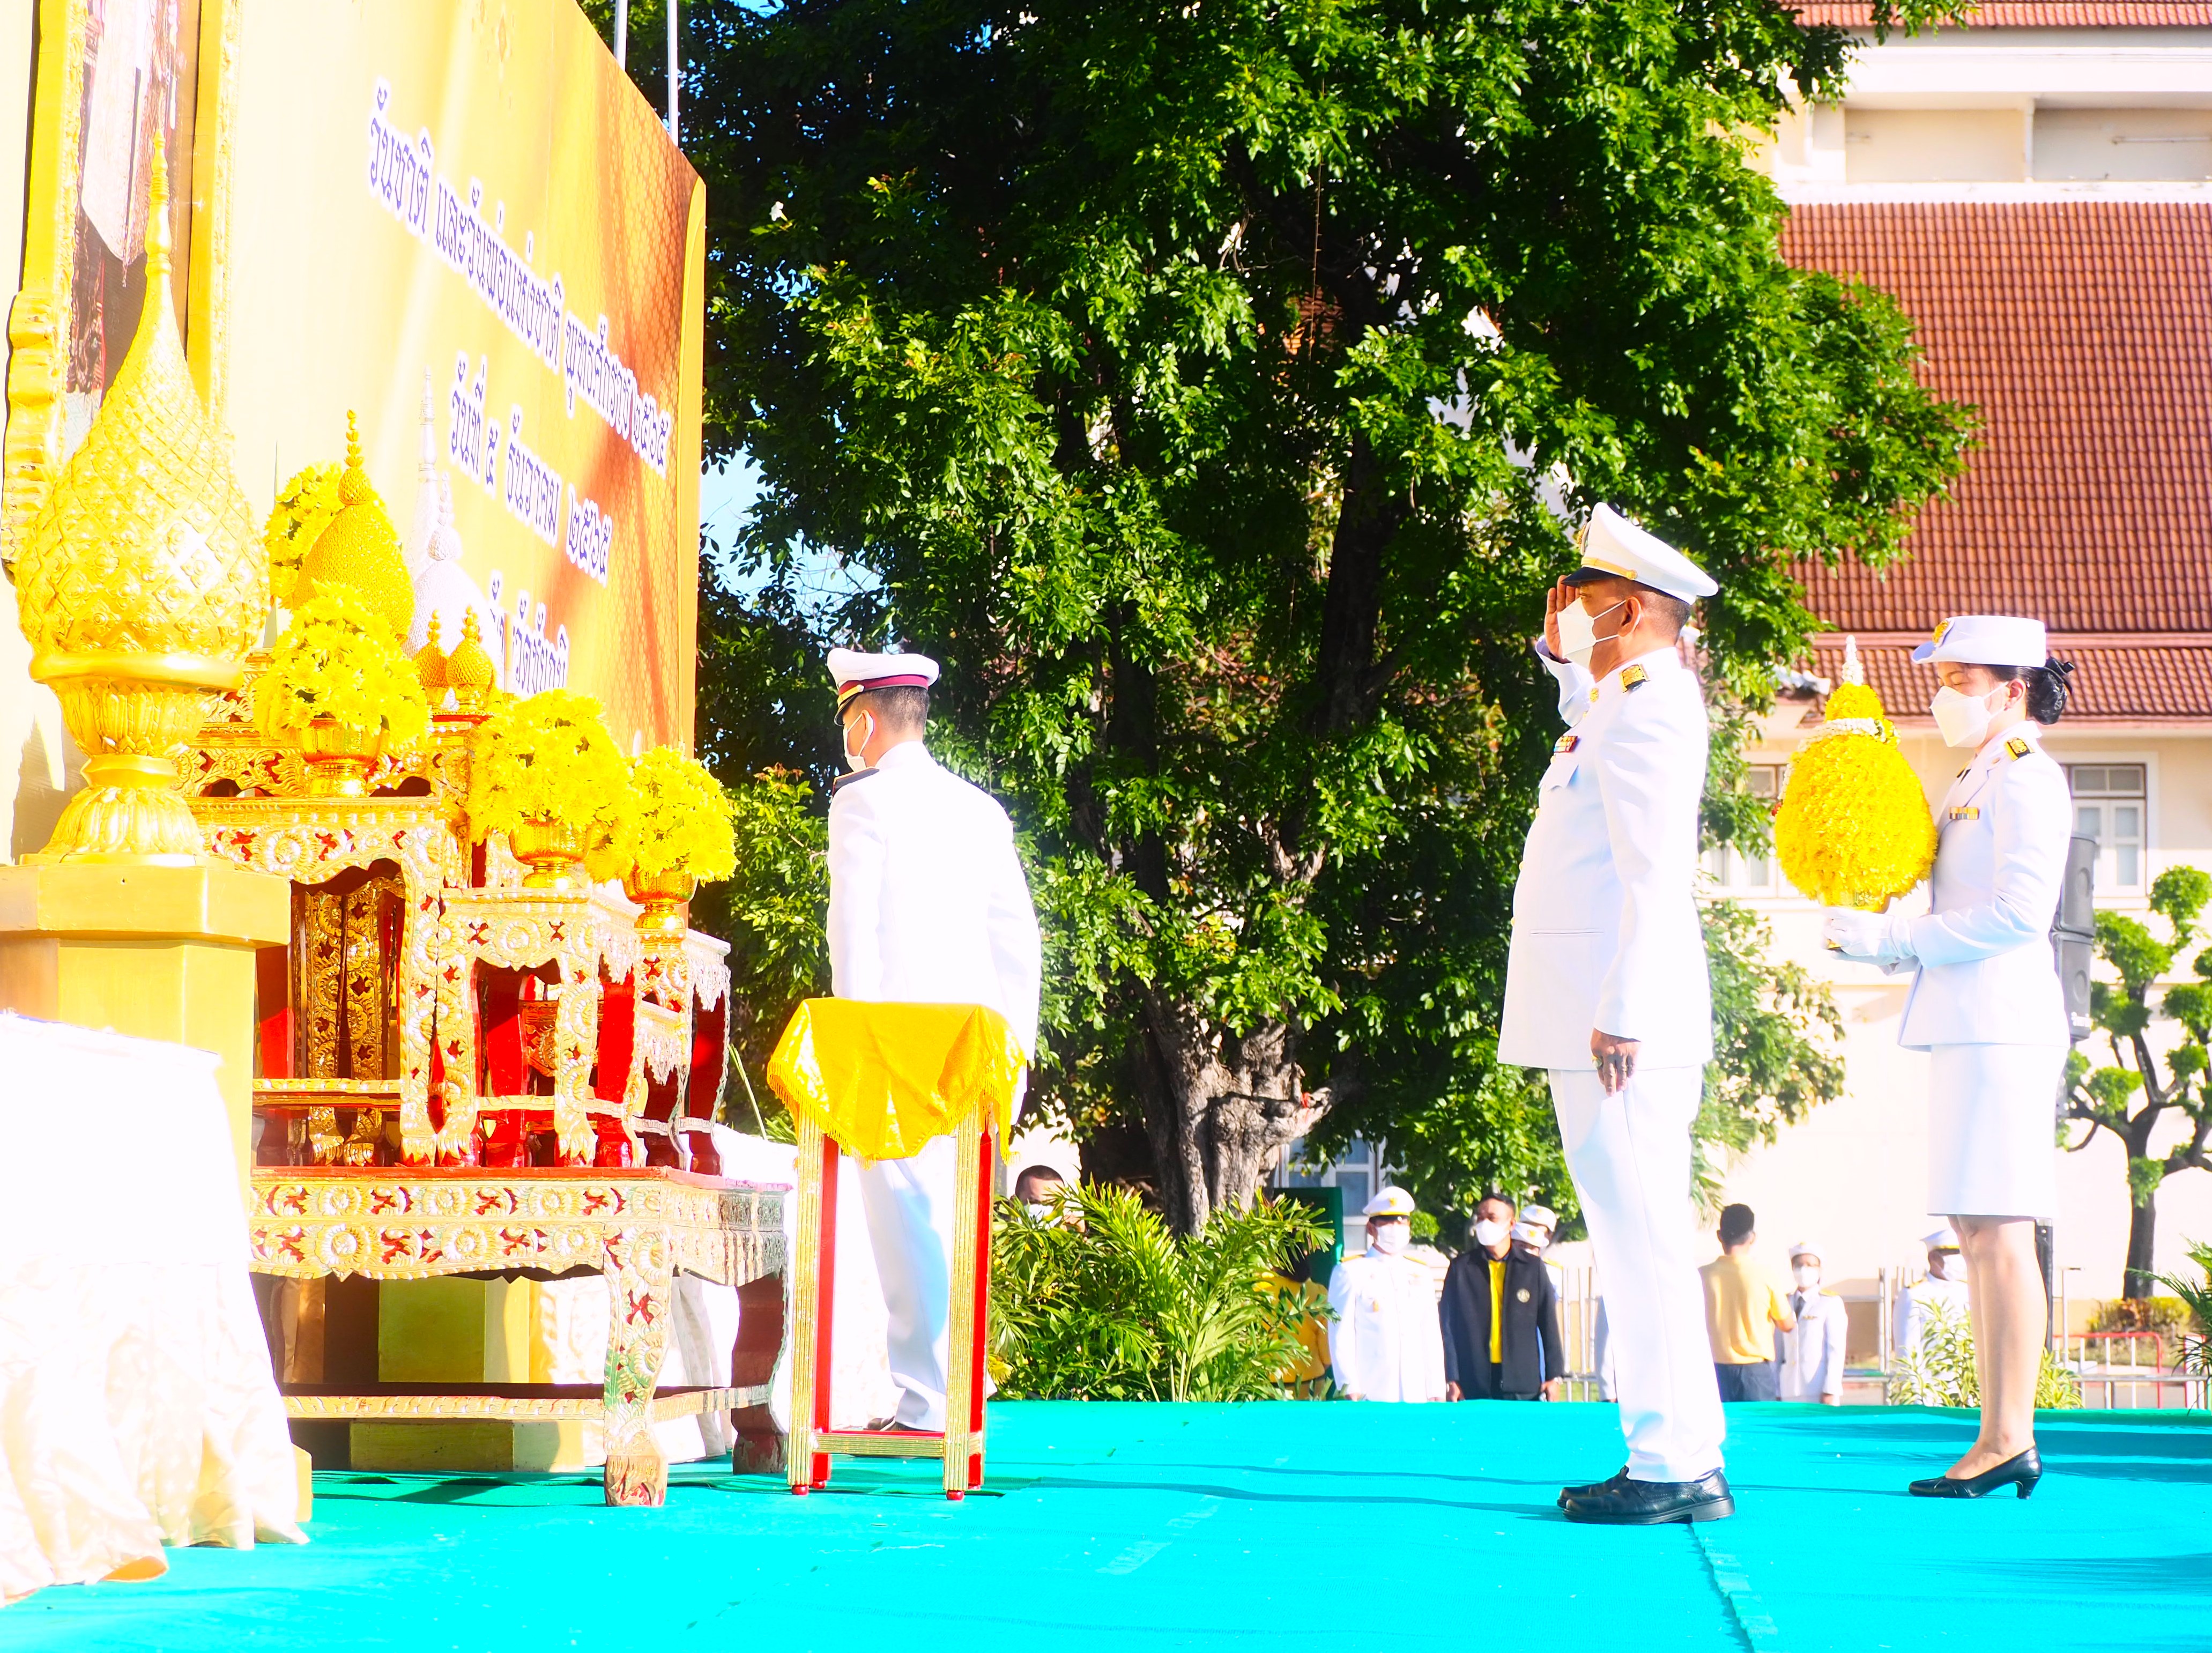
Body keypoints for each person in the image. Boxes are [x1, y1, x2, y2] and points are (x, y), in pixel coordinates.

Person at [1499, 503, 1732, 1525]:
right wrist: (1563, 663)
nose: (1567, 609)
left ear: (1630, 610)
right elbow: (1590, 726)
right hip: (1594, 1013)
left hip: (1617, 1021)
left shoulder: (1650, 708)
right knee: (1631, 1235)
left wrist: (1625, 1008)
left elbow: (1654, 873)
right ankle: (1675, 1451)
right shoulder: (1625, 700)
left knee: (1642, 1242)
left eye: (1584, 598)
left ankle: (1675, 1461)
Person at [1825, 614, 2074, 1500]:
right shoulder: (1976, 772)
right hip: (1967, 1023)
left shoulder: (2027, 776)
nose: (1943, 695)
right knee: (1975, 1231)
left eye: (1959, 679)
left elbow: (2018, 916)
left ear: (2013, 688)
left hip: (2002, 1025)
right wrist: (1882, 935)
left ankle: (2010, 1435)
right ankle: (1996, 1431)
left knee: (2002, 1232)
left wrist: (1897, 937)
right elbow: (1952, 898)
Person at [825, 647, 1043, 1433]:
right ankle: (959, 1385)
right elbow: (1018, 939)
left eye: (847, 721)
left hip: (894, 1040)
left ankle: (928, 1401)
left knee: (904, 1218)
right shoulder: (980, 808)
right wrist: (1014, 1051)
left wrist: (857, 1032)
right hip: (973, 1045)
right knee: (953, 1216)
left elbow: (852, 931)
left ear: (864, 719)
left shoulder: (863, 800)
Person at [1439, 1194, 1568, 1402]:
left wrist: (1554, 1376)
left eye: (1492, 1218)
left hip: (1522, 1381)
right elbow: (1447, 1327)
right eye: (1480, 1218)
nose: (1484, 1224)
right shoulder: (1461, 1268)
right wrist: (1452, 1378)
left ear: (1511, 1224)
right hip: (1474, 1380)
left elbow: (1548, 1323)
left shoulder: (1532, 1268)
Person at [1325, 1188, 1448, 1403]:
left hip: (1416, 1390)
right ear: (1371, 1228)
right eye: (1388, 1223)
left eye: (1402, 1223)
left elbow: (1431, 1334)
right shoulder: (1350, 1272)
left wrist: (1436, 1388)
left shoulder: (1421, 1273)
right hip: (1372, 1390)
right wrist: (1349, 1386)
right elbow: (1340, 1335)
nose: (1395, 1229)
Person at [1699, 1204, 1795, 1402]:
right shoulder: (1764, 1275)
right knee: (1758, 1422)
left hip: (1712, 1370)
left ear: (1719, 1236)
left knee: (1720, 1423)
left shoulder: (1701, 1276)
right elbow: (1787, 1325)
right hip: (1755, 1373)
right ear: (1752, 1237)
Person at [1780, 1241, 1849, 1406]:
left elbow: (1836, 1350)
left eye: (1811, 1265)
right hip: (1788, 1389)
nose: (1804, 1270)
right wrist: (1776, 1390)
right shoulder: (1784, 1302)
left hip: (1818, 1388)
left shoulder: (1830, 1302)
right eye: (1799, 1265)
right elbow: (1778, 1350)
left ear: (1820, 1269)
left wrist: (1831, 1389)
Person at [1892, 1226, 1973, 1362]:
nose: (1960, 1259)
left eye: (1962, 1253)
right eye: (1954, 1253)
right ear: (1933, 1257)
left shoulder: (1967, 1290)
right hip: (1932, 1374)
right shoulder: (1914, 1295)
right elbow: (1908, 1350)